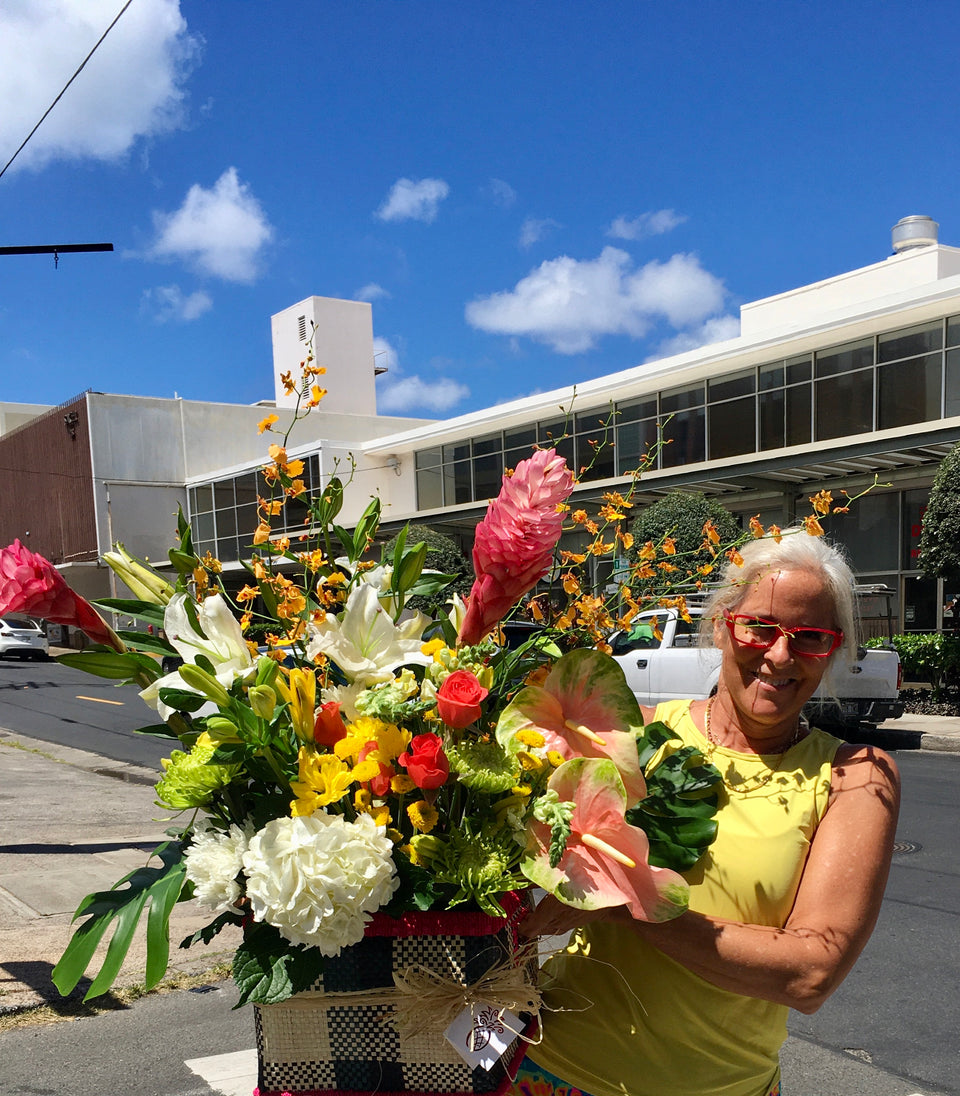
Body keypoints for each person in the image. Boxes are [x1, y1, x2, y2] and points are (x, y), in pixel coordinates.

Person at [513, 531, 901, 1096]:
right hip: (556, 1070)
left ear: (833, 650)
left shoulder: (855, 776)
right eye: (760, 628)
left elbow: (810, 973)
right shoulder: (635, 733)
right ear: (722, 624)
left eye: (811, 638)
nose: (780, 656)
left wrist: (626, 905)